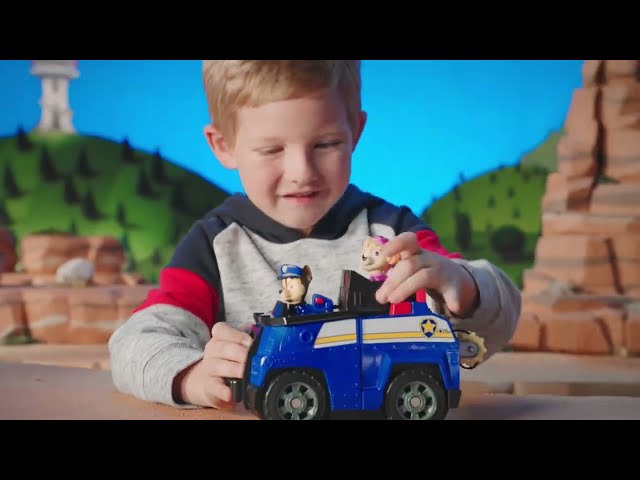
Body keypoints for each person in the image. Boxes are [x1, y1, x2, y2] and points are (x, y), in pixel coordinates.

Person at [108, 60, 521, 411]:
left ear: (355, 131)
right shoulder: (215, 246)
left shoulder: (393, 231)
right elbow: (135, 341)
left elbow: (497, 315)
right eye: (272, 150)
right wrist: (190, 375)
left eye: (325, 144)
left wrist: (462, 286)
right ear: (224, 145)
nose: (301, 172)